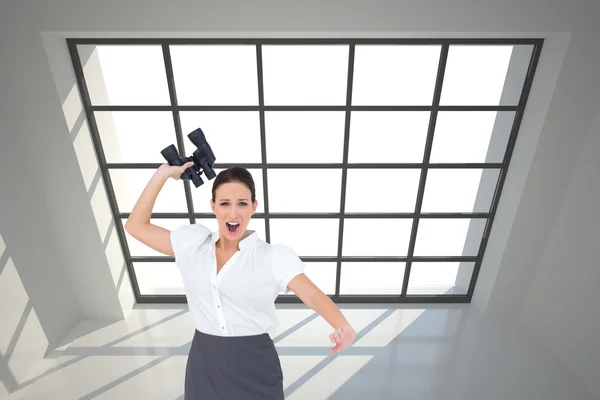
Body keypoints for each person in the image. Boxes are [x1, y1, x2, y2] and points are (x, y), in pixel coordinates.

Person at [125, 162, 357, 400]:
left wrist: (344, 326)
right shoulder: (192, 245)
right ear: (213, 206)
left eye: (242, 204)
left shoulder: (272, 256)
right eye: (225, 203)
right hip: (204, 365)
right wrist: (163, 174)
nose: (233, 213)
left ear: (254, 207)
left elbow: (311, 294)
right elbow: (135, 226)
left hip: (255, 366)